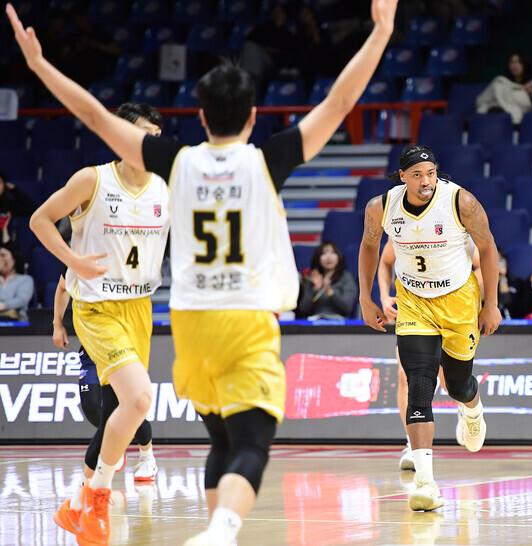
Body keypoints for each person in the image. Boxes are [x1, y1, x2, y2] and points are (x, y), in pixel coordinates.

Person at [7, 2, 397, 542]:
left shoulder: (176, 163)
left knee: (219, 439)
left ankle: (129, 504)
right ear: (253, 118)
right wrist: (380, 32)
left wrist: (38, 65)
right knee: (252, 440)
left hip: (189, 322)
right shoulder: (267, 160)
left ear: (202, 118)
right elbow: (340, 101)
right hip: (244, 320)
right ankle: (218, 528)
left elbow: (94, 115)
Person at [25, 100, 168, 544]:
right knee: (140, 398)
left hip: (140, 308)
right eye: (142, 134)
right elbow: (39, 220)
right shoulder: (93, 179)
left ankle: (78, 505)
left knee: (119, 412)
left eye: (156, 137)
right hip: (96, 307)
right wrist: (72, 260)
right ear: (118, 136)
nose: (150, 144)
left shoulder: (165, 186)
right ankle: (97, 498)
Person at [359, 144, 502, 511]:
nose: (426, 181)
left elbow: (488, 248)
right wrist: (366, 297)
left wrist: (491, 304)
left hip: (458, 300)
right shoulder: (381, 207)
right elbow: (370, 247)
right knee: (419, 383)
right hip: (414, 301)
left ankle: (472, 409)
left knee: (456, 384)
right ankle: (425, 482)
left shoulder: (461, 202)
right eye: (417, 175)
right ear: (402, 177)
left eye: (431, 174)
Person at [378, 238, 483, 471]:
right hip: (415, 310)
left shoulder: (452, 227)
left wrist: (475, 299)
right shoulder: (402, 227)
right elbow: (385, 261)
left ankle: (467, 407)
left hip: (452, 310)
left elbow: (481, 264)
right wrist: (384, 296)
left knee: (449, 383)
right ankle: (412, 445)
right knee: (406, 377)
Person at [51, 273, 157, 489]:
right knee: (92, 406)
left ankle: (146, 455)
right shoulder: (80, 257)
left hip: (120, 338)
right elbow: (62, 287)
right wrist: (57, 324)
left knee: (127, 406)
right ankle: (112, 450)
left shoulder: (127, 265)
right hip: (93, 340)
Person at [296, 241, 357, 319]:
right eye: (324, 253)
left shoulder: (346, 277)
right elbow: (303, 310)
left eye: (333, 253)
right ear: (318, 258)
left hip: (339, 322)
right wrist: (314, 290)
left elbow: (347, 308)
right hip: (315, 321)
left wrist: (330, 291)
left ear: (338, 257)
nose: (328, 257)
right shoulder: (313, 278)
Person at [475, 52, 532, 124]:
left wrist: (531, 94)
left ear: (525, 64)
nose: (514, 65)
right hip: (497, 115)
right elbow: (482, 100)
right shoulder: (502, 81)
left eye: (518, 62)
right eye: (512, 62)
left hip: (519, 120)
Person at [0, 172, 37, 245]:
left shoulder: (8, 205)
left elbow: (32, 209)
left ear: (4, 185)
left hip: (6, 245)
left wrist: (14, 190)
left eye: (0, 183)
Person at [0, 246, 34, 321]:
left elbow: (22, 300)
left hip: (16, 321)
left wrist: (4, 305)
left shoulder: (25, 279)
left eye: (3, 255)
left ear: (14, 259)